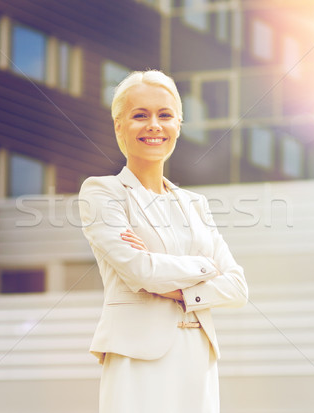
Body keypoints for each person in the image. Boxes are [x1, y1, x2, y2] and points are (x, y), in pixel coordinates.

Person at [78, 70, 248, 413]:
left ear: (178, 125)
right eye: (140, 115)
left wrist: (179, 289)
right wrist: (205, 268)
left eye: (165, 115)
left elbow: (238, 288)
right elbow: (141, 272)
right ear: (119, 126)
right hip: (136, 354)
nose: (154, 125)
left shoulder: (195, 204)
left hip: (198, 357)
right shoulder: (102, 192)